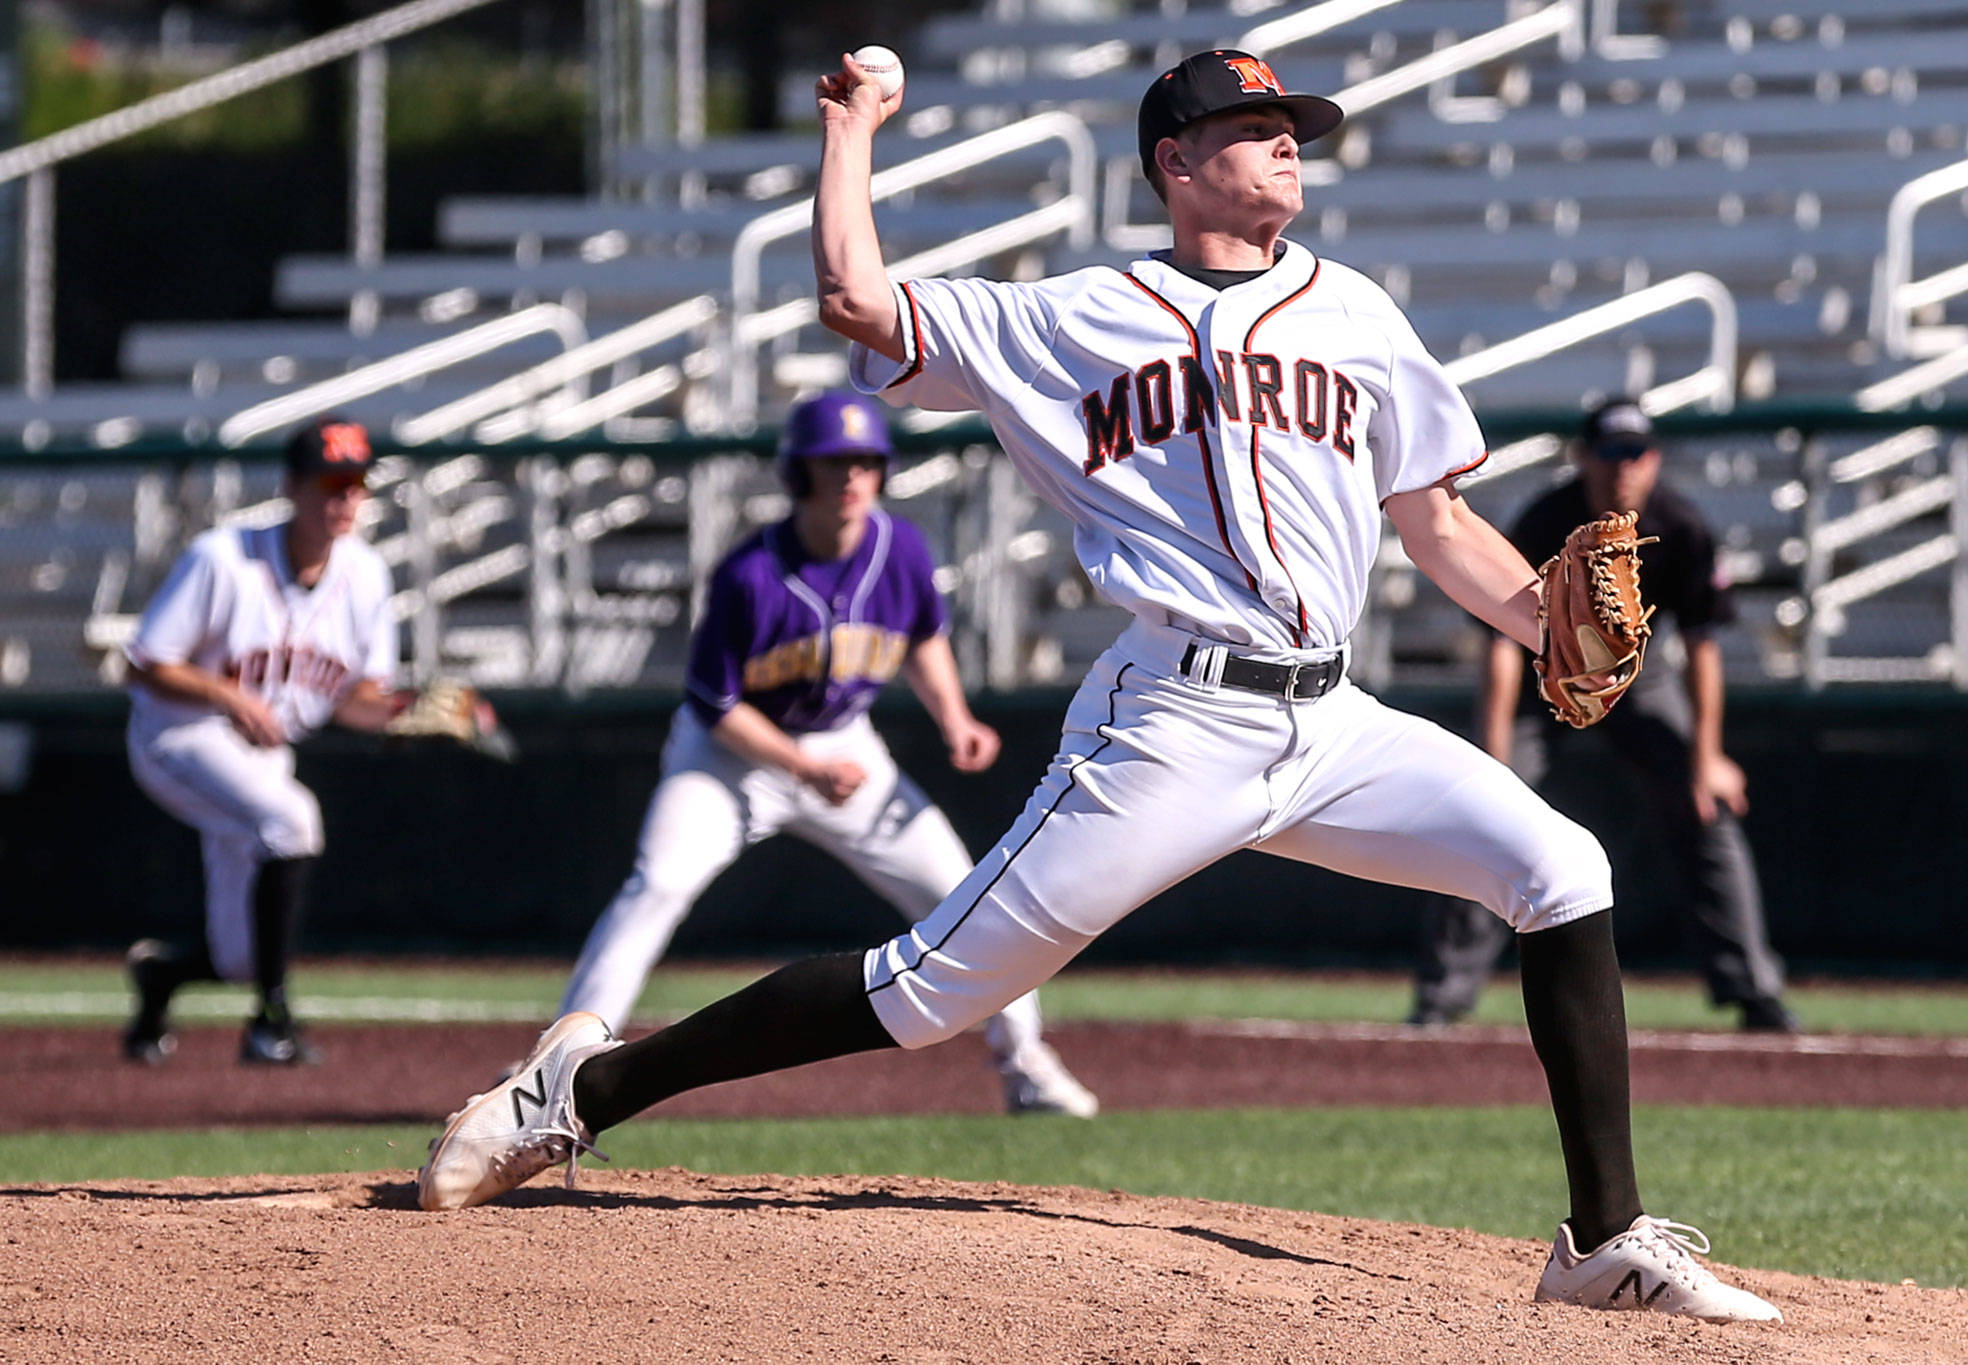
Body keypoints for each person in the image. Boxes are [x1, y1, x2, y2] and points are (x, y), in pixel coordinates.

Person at [418, 49, 1782, 1324]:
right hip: (1174, 718)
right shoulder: (1076, 317)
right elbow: (858, 303)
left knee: (1562, 866)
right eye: (1253, 132)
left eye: (1291, 131)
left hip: (1335, 722)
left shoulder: (1356, 311)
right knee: (925, 993)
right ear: (1174, 163)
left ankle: (1603, 1246)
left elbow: (1430, 523)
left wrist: (1539, 609)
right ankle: (577, 1091)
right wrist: (850, 134)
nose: (1286, 149)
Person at [553, 389, 1097, 1117]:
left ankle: (1026, 1062)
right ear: (798, 473)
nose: (850, 477)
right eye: (833, 462)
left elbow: (923, 638)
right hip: (730, 757)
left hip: (846, 744)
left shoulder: (899, 547)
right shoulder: (750, 573)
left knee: (965, 892)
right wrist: (805, 769)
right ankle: (562, 1062)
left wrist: (955, 716)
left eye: (865, 461)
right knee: (657, 884)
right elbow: (715, 705)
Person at [1407, 399, 1797, 1033]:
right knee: (1485, 815)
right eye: (1611, 452)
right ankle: (1440, 996)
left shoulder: (1680, 523)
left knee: (1705, 809)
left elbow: (1703, 647)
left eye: (1636, 453)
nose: (1624, 467)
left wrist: (1707, 758)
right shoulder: (1548, 517)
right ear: (1583, 458)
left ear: (1655, 459)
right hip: (1543, 671)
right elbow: (1501, 644)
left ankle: (1754, 986)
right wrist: (1496, 755)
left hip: (1635, 676)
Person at [121, 414, 400, 1066]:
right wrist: (227, 694)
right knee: (293, 819)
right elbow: (144, 661)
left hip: (262, 755)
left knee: (240, 953)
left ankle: (161, 974)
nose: (345, 499)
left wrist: (407, 712)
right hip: (177, 736)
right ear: (293, 487)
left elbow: (356, 700)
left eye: (356, 483)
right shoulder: (223, 557)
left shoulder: (366, 574)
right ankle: (271, 1021)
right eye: (331, 483)